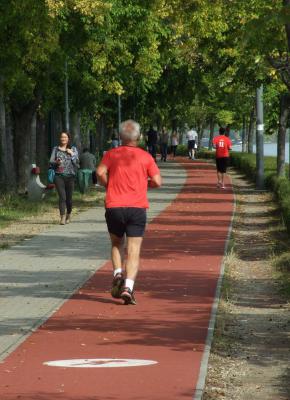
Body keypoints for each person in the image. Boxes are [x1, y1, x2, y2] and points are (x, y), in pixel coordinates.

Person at [96, 120, 162, 305]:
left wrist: (109, 185)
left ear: (120, 137)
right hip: (137, 207)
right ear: (139, 137)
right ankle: (128, 287)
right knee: (133, 250)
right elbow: (157, 181)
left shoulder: (111, 154)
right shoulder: (146, 156)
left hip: (114, 206)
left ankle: (118, 273)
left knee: (116, 243)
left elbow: (100, 172)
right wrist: (144, 184)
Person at [49, 132, 79, 225]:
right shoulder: (55, 149)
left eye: (65, 137)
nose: (63, 138)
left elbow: (77, 161)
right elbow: (51, 161)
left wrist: (72, 154)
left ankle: (68, 215)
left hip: (70, 176)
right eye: (62, 137)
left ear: (68, 139)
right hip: (59, 176)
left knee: (69, 199)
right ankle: (62, 217)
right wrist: (56, 162)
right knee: (62, 197)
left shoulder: (73, 149)